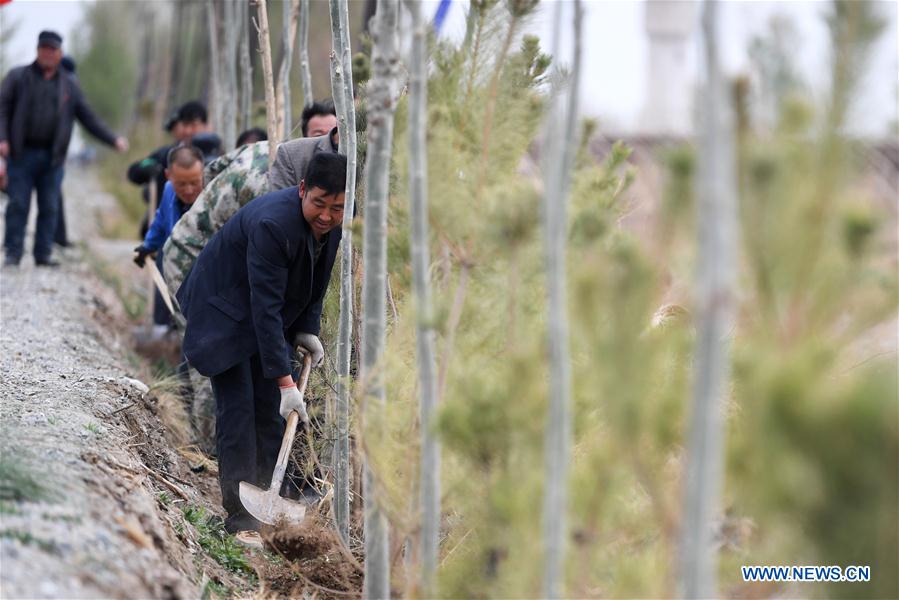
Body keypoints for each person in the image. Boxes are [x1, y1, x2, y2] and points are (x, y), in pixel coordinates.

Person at [176, 152, 347, 535]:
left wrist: (307, 329)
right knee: (239, 410)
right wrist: (286, 382)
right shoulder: (274, 224)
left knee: (271, 411)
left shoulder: (333, 226)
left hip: (259, 316)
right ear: (302, 190)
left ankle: (274, 507)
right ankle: (241, 519)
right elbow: (265, 308)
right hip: (223, 312)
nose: (326, 215)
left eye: (336, 208)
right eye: (319, 203)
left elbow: (316, 283)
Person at [0, 30, 128, 267]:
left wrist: (113, 140)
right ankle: (13, 252)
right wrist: (2, 139)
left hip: (53, 157)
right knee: (18, 203)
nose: (48, 54)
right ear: (37, 50)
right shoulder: (18, 77)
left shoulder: (69, 84)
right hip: (21, 153)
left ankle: (43, 254)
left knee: (50, 206)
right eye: (44, 49)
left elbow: (88, 117)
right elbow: (2, 109)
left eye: (53, 50)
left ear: (60, 53)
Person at [133, 145, 205, 338]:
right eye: (181, 184)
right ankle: (163, 329)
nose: (188, 190)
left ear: (203, 174)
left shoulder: (214, 195)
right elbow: (160, 221)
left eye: (194, 182)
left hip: (203, 265)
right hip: (176, 259)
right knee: (163, 258)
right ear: (168, 176)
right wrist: (147, 246)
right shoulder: (167, 191)